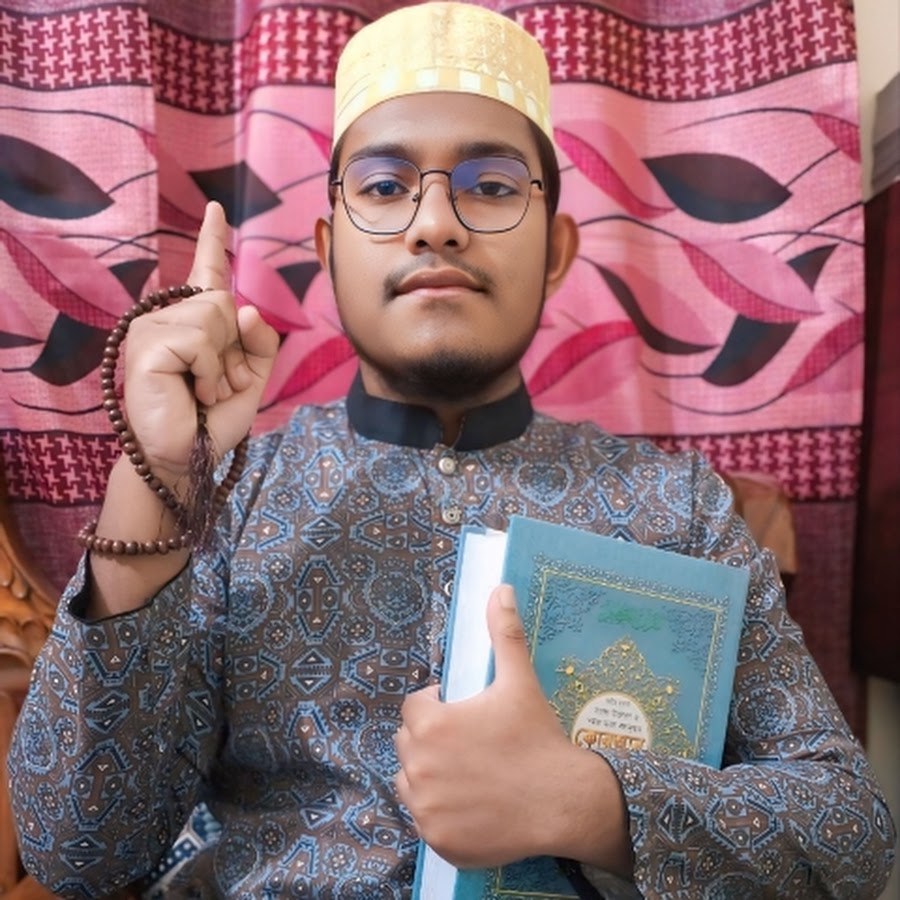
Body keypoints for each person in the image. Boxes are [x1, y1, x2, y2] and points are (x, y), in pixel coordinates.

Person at [7, 3, 896, 898]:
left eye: (492, 186)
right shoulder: (233, 500)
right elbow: (76, 852)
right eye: (383, 188)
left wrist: (589, 804)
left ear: (555, 250)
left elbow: (851, 837)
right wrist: (156, 482)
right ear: (329, 250)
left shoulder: (680, 508)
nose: (435, 222)